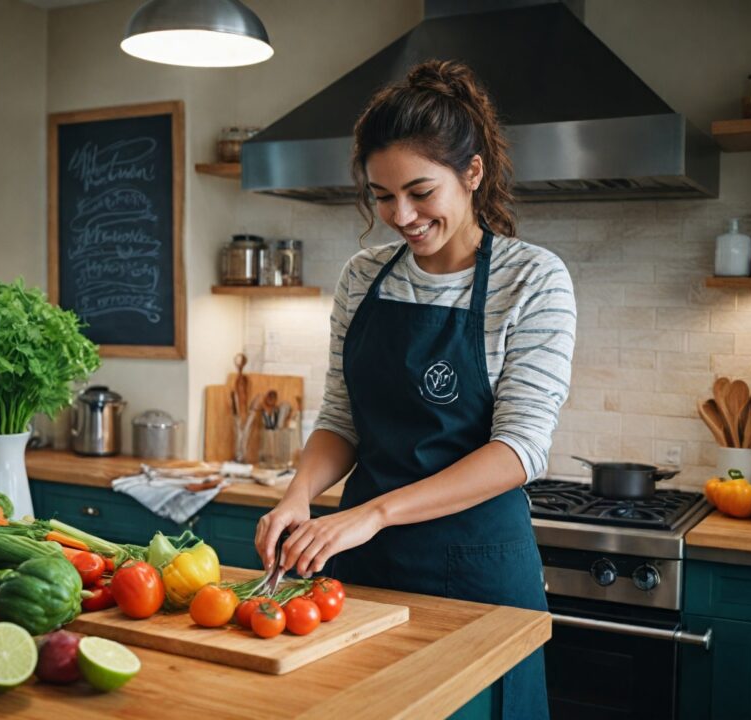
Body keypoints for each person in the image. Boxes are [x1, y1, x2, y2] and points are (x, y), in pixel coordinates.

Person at [254, 59, 575, 720]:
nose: (401, 215)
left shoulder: (533, 280)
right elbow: (342, 417)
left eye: (421, 192)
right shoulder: (363, 276)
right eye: (381, 195)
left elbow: (519, 449)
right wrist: (298, 496)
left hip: (480, 575)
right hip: (357, 571)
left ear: (474, 174)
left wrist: (371, 512)